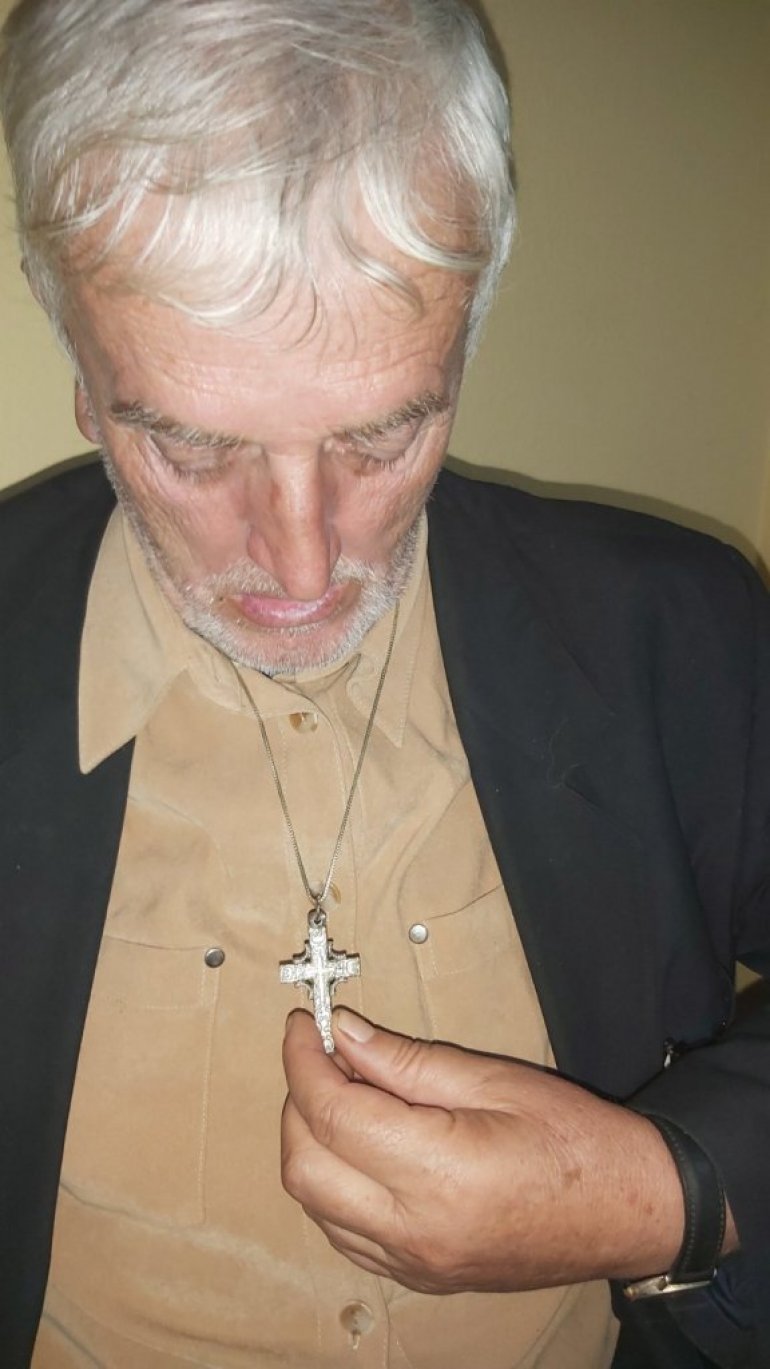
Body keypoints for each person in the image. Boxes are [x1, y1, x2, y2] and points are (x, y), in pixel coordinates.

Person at [1, 1, 768, 1366]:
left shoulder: (682, 626)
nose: (301, 561)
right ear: (76, 361)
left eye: (384, 433)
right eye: (191, 446)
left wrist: (663, 1194)